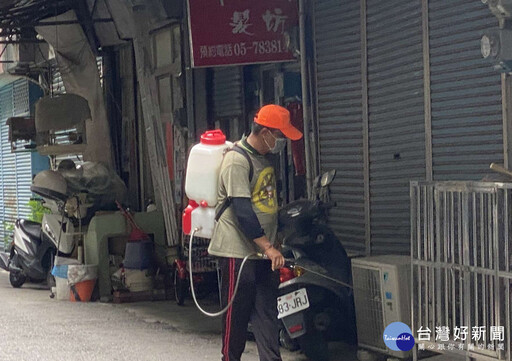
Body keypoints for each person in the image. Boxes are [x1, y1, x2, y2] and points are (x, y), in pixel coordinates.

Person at [208, 104, 303, 361]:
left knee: (267, 314)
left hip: (264, 251)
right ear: (264, 132)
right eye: (279, 135)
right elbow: (242, 210)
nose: (282, 141)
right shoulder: (236, 161)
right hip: (237, 252)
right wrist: (268, 247)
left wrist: (275, 242)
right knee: (237, 314)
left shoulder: (264, 159)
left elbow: (267, 204)